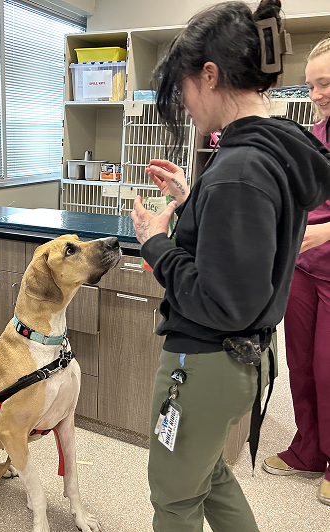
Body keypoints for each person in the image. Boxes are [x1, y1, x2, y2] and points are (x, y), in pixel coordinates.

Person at [129, 1, 330, 531]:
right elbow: (243, 244)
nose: (185, 105)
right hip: (242, 359)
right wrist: (194, 199)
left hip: (205, 361)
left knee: (174, 497)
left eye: (185, 87)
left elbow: (221, 300)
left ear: (210, 75)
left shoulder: (240, 168)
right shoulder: (273, 148)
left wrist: (155, 242)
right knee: (208, 474)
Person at [262, 38, 330, 505]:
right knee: (301, 365)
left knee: (329, 370)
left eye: (325, 82)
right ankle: (309, 450)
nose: (315, 93)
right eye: (310, 84)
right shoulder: (317, 133)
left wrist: (326, 233)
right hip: (302, 268)